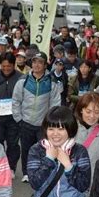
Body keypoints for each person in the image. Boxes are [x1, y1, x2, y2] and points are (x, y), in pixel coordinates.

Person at [12, 51, 62, 183]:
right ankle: (26, 173)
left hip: (43, 125)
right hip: (25, 122)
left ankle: (42, 173)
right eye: (34, 62)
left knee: (44, 149)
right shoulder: (23, 80)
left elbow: (55, 103)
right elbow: (16, 100)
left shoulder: (51, 83)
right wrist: (19, 119)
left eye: (40, 62)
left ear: (45, 65)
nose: (37, 65)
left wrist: (49, 122)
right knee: (26, 149)